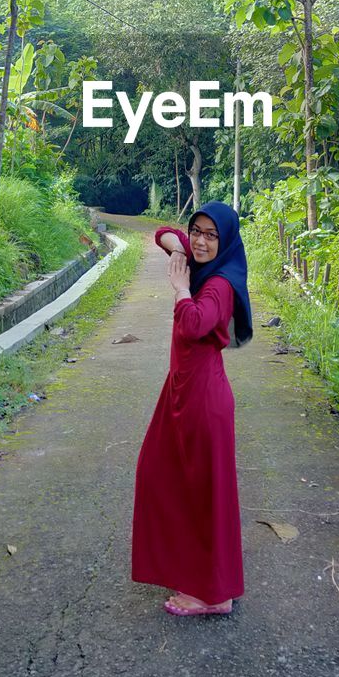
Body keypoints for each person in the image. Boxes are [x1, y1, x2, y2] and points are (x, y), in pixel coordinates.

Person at [131, 200, 253, 617]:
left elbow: (197, 323)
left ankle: (215, 596)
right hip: (182, 390)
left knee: (204, 493)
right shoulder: (200, 258)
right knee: (161, 473)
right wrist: (180, 248)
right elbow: (162, 232)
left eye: (210, 235)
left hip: (204, 399)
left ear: (227, 241)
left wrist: (182, 289)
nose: (201, 241)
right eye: (197, 231)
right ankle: (199, 578)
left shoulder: (219, 284)